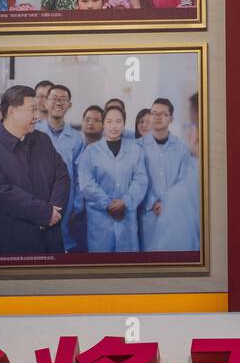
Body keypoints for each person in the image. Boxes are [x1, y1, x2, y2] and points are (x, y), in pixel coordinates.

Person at [0, 85, 71, 255]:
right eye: (32, 110)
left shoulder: (42, 140)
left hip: (52, 237)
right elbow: (3, 194)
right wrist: (45, 213)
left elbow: (61, 175)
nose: (37, 116)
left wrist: (54, 211)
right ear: (12, 112)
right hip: (16, 241)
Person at [77, 104, 148, 252]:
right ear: (103, 124)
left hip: (126, 218)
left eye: (118, 121)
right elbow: (86, 183)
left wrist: (125, 202)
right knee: (100, 267)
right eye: (109, 121)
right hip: (99, 220)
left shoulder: (136, 150)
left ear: (124, 124)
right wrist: (108, 204)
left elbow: (140, 181)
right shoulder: (91, 151)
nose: (114, 126)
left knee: (127, 266)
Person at [138, 97, 198, 251]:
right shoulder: (138, 147)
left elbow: (184, 178)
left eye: (163, 114)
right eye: (154, 113)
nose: (157, 117)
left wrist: (167, 203)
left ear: (171, 118)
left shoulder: (181, 147)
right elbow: (138, 180)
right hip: (147, 213)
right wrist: (153, 202)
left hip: (175, 213)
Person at [35, 84, 84, 252]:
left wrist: (77, 206)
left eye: (63, 100)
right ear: (46, 103)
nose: (59, 103)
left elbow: (79, 176)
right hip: (38, 199)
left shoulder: (77, 139)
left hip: (67, 201)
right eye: (54, 99)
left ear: (69, 105)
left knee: (62, 247)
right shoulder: (33, 133)